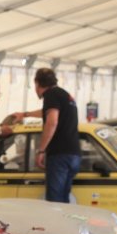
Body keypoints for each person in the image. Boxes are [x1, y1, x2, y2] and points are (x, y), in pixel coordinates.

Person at [33, 67, 80, 203]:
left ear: (37, 83)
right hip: (74, 154)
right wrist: (25, 114)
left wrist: (41, 150)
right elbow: (48, 112)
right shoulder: (64, 95)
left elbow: (52, 121)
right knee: (64, 200)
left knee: (54, 201)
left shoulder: (51, 95)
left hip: (60, 155)